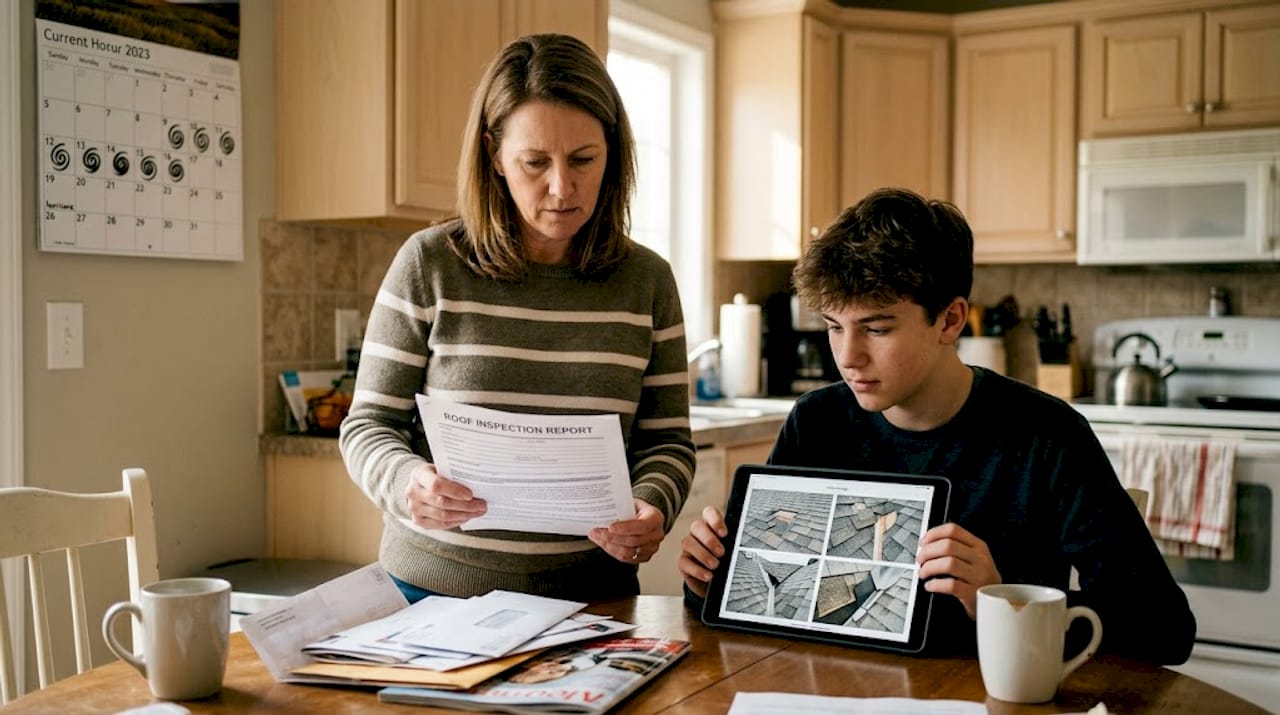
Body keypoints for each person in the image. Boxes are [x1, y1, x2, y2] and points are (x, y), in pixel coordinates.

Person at [678, 187, 1196, 665]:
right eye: (835, 328)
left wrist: (1001, 600)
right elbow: (776, 602)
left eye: (877, 329)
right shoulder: (817, 421)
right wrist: (712, 579)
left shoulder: (1047, 435)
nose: (848, 357)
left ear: (950, 321)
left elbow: (1165, 631)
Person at [340, 33, 695, 603]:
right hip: (428, 592)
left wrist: (653, 505)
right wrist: (409, 483)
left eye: (584, 159)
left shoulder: (647, 282)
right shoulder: (429, 263)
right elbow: (367, 426)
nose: (562, 187)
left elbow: (668, 442)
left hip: (593, 598)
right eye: (535, 162)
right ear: (495, 156)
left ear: (613, 153)